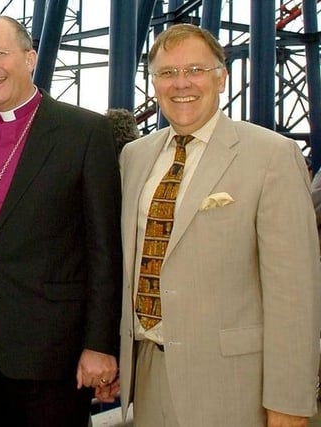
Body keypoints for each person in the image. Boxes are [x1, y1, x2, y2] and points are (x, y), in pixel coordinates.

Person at [110, 23, 321, 426]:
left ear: (221, 77)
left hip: (236, 387)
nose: (181, 84)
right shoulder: (134, 157)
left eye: (195, 70)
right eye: (167, 73)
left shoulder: (272, 155)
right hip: (151, 376)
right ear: (153, 83)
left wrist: (289, 401)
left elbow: (295, 291)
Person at [0, 15, 122, 427]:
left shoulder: (84, 132)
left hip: (51, 354)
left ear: (30, 58)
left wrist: (100, 345)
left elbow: (104, 251)